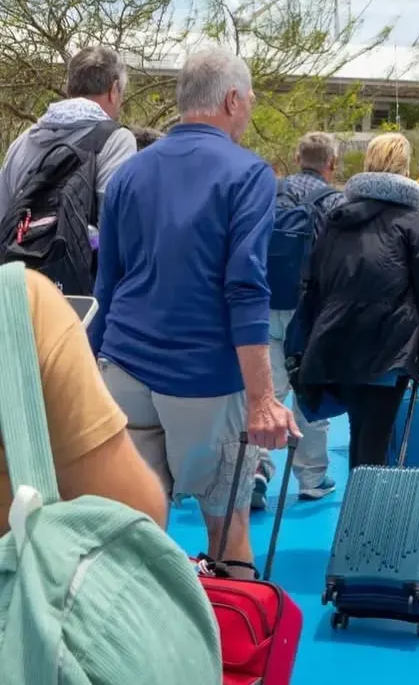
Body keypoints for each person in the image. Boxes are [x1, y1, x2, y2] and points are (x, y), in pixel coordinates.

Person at [90, 47, 298, 576]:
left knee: (132, 526)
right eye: (248, 102)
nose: (248, 112)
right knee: (226, 522)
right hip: (204, 378)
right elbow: (246, 286)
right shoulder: (248, 173)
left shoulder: (129, 174)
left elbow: (106, 283)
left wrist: (93, 371)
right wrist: (263, 399)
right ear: (231, 99)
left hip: (123, 367)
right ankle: (227, 651)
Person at [297, 133, 419, 469]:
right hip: (390, 347)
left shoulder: (339, 218)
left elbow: (315, 284)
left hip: (339, 340)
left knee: (360, 432)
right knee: (376, 439)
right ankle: (370, 515)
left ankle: (359, 510)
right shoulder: (413, 222)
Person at [0, 267, 168, 535]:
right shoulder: (20, 305)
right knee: (227, 519)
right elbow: (135, 518)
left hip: (124, 356)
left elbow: (108, 278)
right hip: (195, 366)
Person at [251, 131, 344, 511]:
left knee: (265, 393)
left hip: (263, 302)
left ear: (296, 156)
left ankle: (256, 469)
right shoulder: (335, 202)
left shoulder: (269, 192)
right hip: (309, 312)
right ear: (331, 163)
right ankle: (311, 477)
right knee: (310, 393)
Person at [0, 46, 137, 294]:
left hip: (19, 294)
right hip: (80, 302)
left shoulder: (24, 142)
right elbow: (116, 230)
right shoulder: (117, 139)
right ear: (114, 90)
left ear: (69, 89)